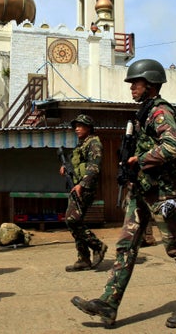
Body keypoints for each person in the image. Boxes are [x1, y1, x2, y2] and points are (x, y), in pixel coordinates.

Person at [71, 59, 176, 329]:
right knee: (125, 248)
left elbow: (172, 147)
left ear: (150, 84)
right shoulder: (144, 112)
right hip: (142, 192)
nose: (131, 87)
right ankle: (109, 302)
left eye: (136, 83)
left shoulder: (160, 112)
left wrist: (139, 160)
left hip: (162, 194)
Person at [60, 114, 108, 271]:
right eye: (75, 126)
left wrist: (82, 184)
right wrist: (66, 168)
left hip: (85, 188)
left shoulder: (93, 143)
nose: (76, 129)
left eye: (80, 126)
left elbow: (94, 166)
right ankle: (83, 258)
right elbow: (78, 165)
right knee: (76, 221)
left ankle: (97, 245)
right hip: (77, 186)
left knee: (72, 219)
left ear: (88, 128)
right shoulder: (81, 144)